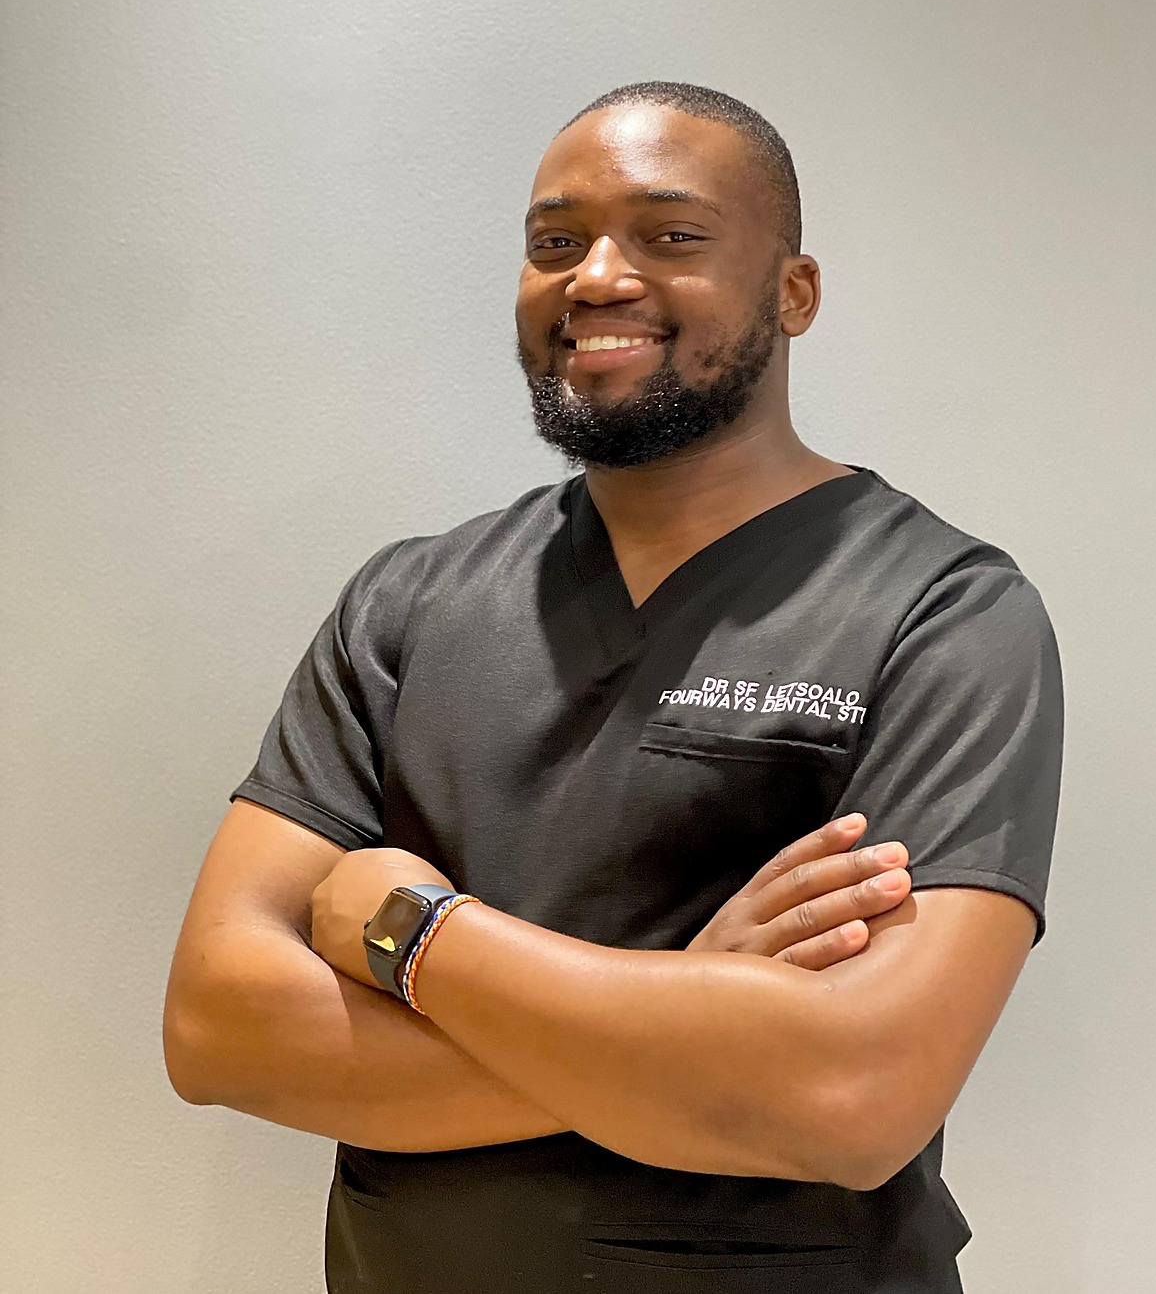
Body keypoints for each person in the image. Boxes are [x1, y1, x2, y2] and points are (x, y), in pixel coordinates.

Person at [163, 81, 1063, 1294]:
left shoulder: (941, 611)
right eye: (553, 243)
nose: (594, 278)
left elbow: (854, 1098)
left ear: (793, 293)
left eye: (669, 236)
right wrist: (704, 1007)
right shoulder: (410, 603)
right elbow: (219, 1029)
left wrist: (414, 936)